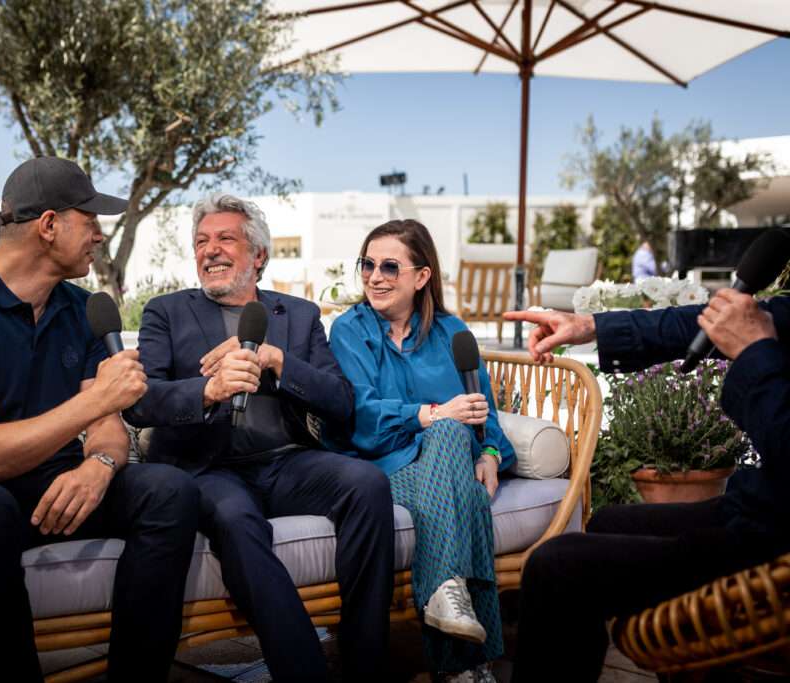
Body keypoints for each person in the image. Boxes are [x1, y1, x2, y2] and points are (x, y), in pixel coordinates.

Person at [0, 157, 200, 682]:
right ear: (48, 225)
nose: (99, 236)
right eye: (90, 222)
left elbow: (107, 423)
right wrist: (93, 406)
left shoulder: (82, 309)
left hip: (59, 482)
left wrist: (101, 465)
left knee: (169, 490)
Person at [123, 193, 395, 682]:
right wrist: (208, 390)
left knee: (367, 484)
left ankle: (364, 661)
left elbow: (340, 400)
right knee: (237, 519)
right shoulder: (166, 312)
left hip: (285, 462)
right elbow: (141, 402)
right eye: (201, 241)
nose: (210, 250)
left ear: (259, 255)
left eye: (225, 238)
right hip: (206, 468)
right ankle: (304, 672)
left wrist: (277, 362)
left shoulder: (298, 314)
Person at [503, 287, 790, 681]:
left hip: (775, 548)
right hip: (763, 504)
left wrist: (756, 351)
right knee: (609, 523)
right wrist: (589, 326)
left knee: (555, 567)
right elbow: (704, 321)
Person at [327, 219, 515, 683]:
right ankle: (467, 667)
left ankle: (444, 600)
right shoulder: (350, 331)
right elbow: (361, 416)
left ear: (422, 276)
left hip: (443, 465)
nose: (375, 276)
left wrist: (490, 451)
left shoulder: (452, 333)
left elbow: (482, 410)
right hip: (378, 469)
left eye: (390, 266)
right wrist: (430, 414)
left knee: (455, 444)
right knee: (459, 470)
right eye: (367, 264)